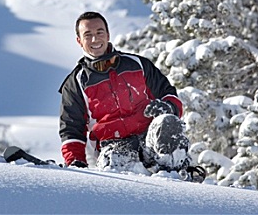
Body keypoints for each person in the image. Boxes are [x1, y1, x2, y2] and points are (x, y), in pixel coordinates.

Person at [59, 11, 205, 180]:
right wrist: (75, 162)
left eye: (99, 32)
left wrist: (168, 106)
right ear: (79, 41)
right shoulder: (76, 83)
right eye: (88, 35)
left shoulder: (138, 65)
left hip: (150, 140)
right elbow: (71, 130)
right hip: (114, 148)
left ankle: (177, 176)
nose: (95, 39)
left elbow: (169, 94)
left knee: (168, 121)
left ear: (107, 34)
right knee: (115, 162)